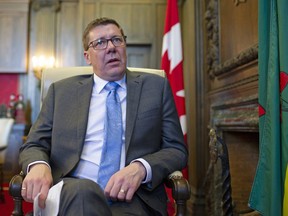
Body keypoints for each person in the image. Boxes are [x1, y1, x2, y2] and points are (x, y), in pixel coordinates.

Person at [19, 17, 188, 216]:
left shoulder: (155, 87)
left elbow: (176, 149)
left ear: (125, 46)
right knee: (83, 192)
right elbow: (34, 144)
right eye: (100, 43)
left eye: (117, 40)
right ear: (87, 56)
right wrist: (39, 165)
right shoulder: (62, 92)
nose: (111, 47)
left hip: (133, 198)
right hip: (73, 192)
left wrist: (142, 168)